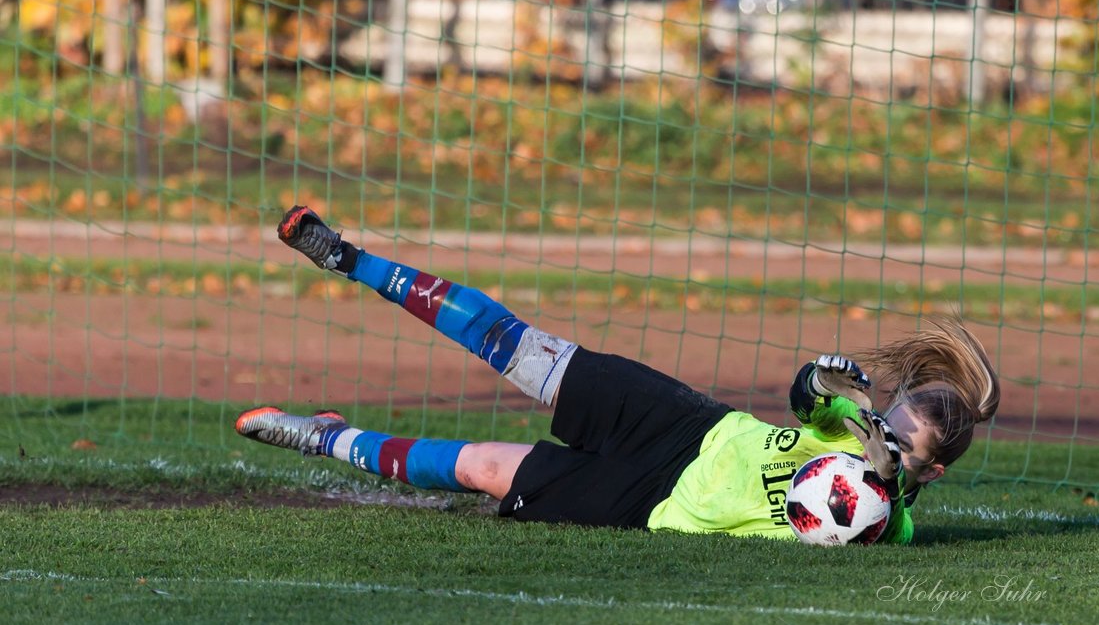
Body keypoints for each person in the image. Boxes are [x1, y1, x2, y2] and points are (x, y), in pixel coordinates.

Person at [235, 207, 1000, 545]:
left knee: (483, 469)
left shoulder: (886, 523)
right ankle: (349, 259)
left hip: (653, 504)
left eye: (902, 451)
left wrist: (879, 484)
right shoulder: (849, 427)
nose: (882, 444)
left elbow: (874, 532)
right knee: (517, 348)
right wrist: (833, 380)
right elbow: (807, 394)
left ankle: (326, 439)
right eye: (889, 425)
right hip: (681, 423)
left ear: (927, 477)